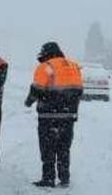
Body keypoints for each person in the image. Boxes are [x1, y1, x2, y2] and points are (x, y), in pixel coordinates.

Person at [24, 42, 83, 187]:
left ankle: (48, 178)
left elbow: (36, 89)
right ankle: (64, 178)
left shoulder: (46, 66)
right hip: (68, 116)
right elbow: (79, 90)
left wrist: (29, 102)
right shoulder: (73, 66)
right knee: (64, 148)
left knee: (47, 147)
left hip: (48, 115)